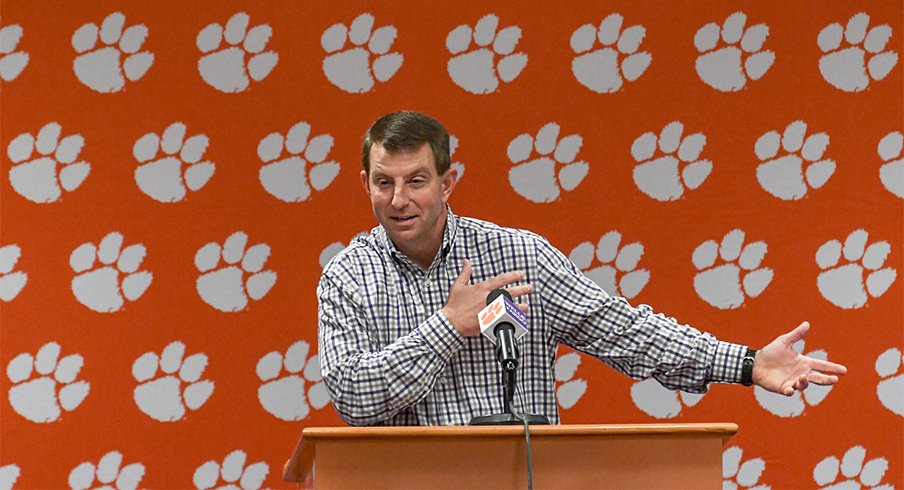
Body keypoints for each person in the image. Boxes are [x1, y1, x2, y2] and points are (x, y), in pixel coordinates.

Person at [317, 110, 847, 426]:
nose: (399, 199)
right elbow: (353, 397)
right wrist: (447, 327)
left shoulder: (518, 256)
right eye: (383, 182)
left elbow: (625, 331)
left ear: (448, 183)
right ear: (364, 184)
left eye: (416, 181)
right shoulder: (347, 278)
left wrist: (747, 363)